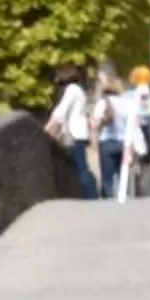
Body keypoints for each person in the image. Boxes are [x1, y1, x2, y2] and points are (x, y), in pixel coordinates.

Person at [46, 63, 97, 199]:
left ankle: (90, 197)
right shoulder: (78, 90)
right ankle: (90, 195)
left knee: (81, 169)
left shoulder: (72, 90)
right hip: (79, 134)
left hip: (75, 135)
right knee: (81, 167)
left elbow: (60, 112)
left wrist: (47, 130)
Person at [111, 67, 150, 201]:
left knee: (139, 155)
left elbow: (144, 109)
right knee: (140, 156)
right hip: (142, 126)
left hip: (140, 126)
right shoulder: (142, 90)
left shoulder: (142, 90)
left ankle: (137, 184)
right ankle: (137, 183)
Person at [96, 68, 131, 203]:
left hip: (107, 141)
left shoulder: (103, 102)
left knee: (108, 177)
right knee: (122, 174)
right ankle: (123, 198)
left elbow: (95, 122)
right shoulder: (126, 103)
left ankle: (109, 202)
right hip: (123, 142)